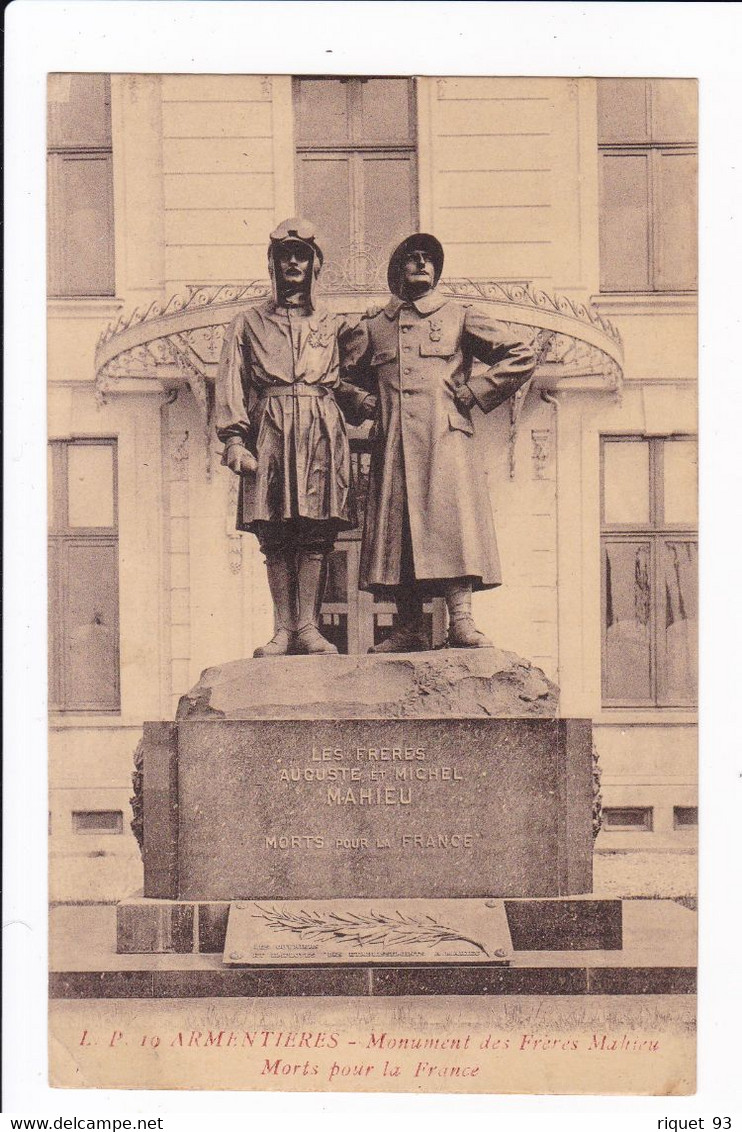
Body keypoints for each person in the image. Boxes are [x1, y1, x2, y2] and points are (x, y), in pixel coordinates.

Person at [341, 232, 536, 652]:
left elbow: (521, 354)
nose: (422, 264)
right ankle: (407, 627)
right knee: (400, 534)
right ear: (397, 270)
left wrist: (478, 390)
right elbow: (336, 378)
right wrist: (363, 400)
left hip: (446, 439)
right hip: (393, 443)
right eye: (412, 258)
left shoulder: (460, 315)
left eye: (429, 258)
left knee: (453, 526)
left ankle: (461, 622)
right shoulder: (373, 327)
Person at [215, 219, 375, 657]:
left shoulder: (337, 326)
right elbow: (230, 382)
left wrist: (366, 404)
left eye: (301, 255)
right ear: (272, 264)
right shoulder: (247, 323)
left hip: (321, 429)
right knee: (275, 534)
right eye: (284, 255)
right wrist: (233, 441)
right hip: (270, 425)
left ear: (315, 266)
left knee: (316, 532)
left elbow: (351, 378)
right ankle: (282, 630)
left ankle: (308, 627)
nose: (292, 262)